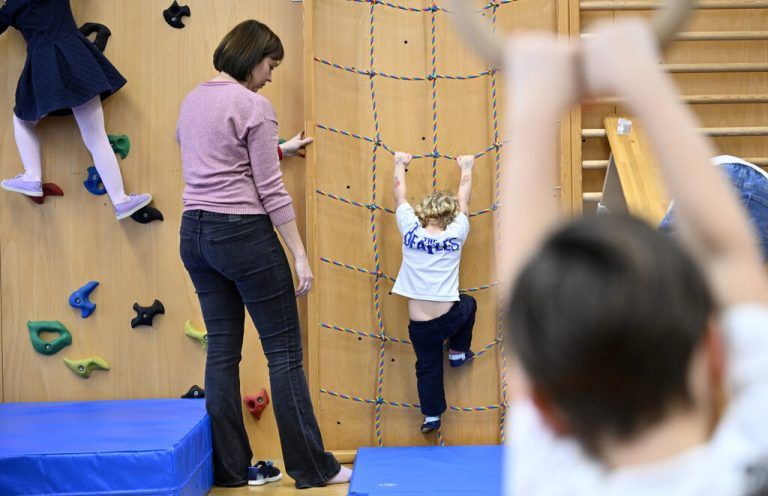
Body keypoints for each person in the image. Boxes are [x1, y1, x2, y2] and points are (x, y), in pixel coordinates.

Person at [500, 20, 768, 495]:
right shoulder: (751, 463)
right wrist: (644, 79)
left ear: (543, 403)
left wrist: (534, 104)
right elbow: (729, 255)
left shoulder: (550, 484)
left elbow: (523, 286)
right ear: (715, 353)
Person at [176, 19, 350, 488]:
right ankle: (314, 470)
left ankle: (230, 471)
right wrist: (299, 253)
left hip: (194, 233)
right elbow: (270, 193)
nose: (271, 75)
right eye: (270, 64)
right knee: (285, 355)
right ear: (253, 58)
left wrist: (277, 148)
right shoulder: (254, 104)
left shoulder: (193, 100)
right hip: (244, 236)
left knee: (221, 354)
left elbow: (214, 156)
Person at [0, 0, 151, 219]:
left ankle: (32, 176)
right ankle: (121, 200)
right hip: (76, 57)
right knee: (96, 136)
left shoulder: (12, 5)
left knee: (22, 119)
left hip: (44, 64)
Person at [391, 151, 477, 433]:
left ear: (425, 212)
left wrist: (399, 164)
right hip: (449, 317)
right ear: (450, 216)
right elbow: (465, 201)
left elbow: (399, 195)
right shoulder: (457, 232)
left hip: (420, 325)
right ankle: (457, 350)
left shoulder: (410, 230)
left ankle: (431, 416)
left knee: (427, 367)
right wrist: (467, 167)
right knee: (470, 303)